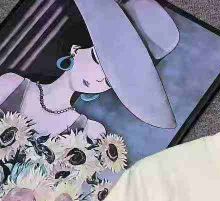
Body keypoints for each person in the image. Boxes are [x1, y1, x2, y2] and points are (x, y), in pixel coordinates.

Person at [0, 0, 179, 138]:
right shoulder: (11, 85)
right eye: (96, 59)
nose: (98, 78)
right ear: (76, 49)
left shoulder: (89, 131)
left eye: (110, 80)